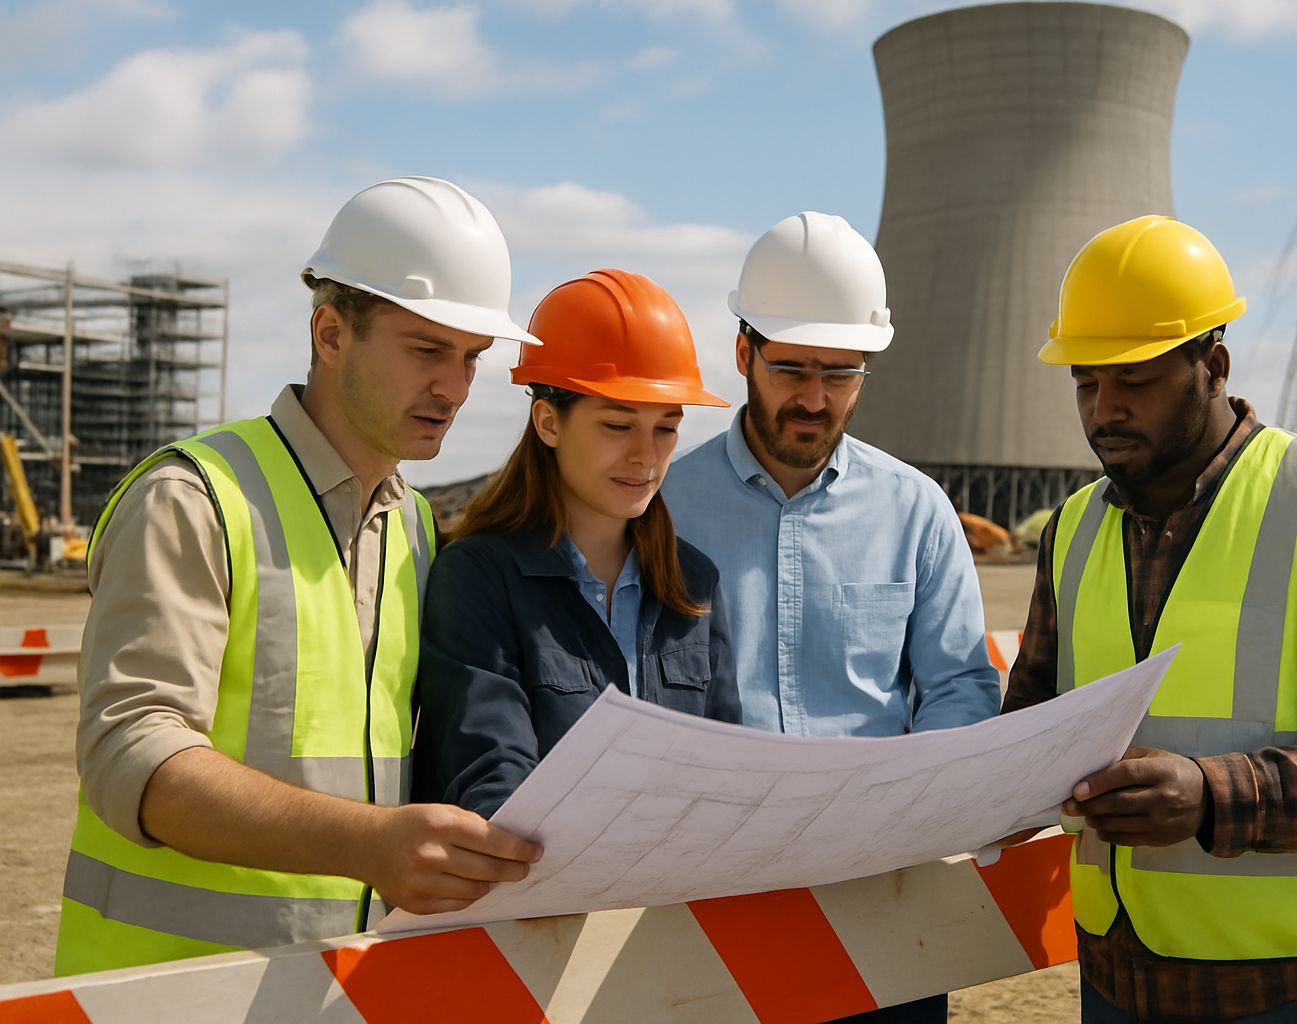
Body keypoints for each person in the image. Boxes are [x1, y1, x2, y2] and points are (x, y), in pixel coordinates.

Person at [57, 177, 544, 975]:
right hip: (160, 991)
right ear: (330, 334)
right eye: (426, 349)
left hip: (339, 990)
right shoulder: (195, 497)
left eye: (471, 359)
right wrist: (372, 844)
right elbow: (129, 752)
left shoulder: (414, 526)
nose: (454, 388)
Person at [1004, 215, 1297, 1023]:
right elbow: (1032, 719)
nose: (1103, 409)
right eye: (1086, 381)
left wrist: (1218, 795)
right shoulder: (1072, 529)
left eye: (1134, 380)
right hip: (1120, 973)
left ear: (1211, 366)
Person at [664, 212, 999, 1024]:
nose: (815, 399)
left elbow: (960, 685)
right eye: (792, 369)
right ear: (744, 354)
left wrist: (912, 807)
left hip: (883, 908)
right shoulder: (663, 506)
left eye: (841, 374)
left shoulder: (916, 511)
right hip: (712, 905)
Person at [412, 269, 741, 818]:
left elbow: (727, 767)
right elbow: (489, 776)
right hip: (539, 897)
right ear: (548, 422)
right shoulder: (478, 576)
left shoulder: (694, 583)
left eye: (666, 428)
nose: (646, 455)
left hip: (668, 900)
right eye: (618, 425)